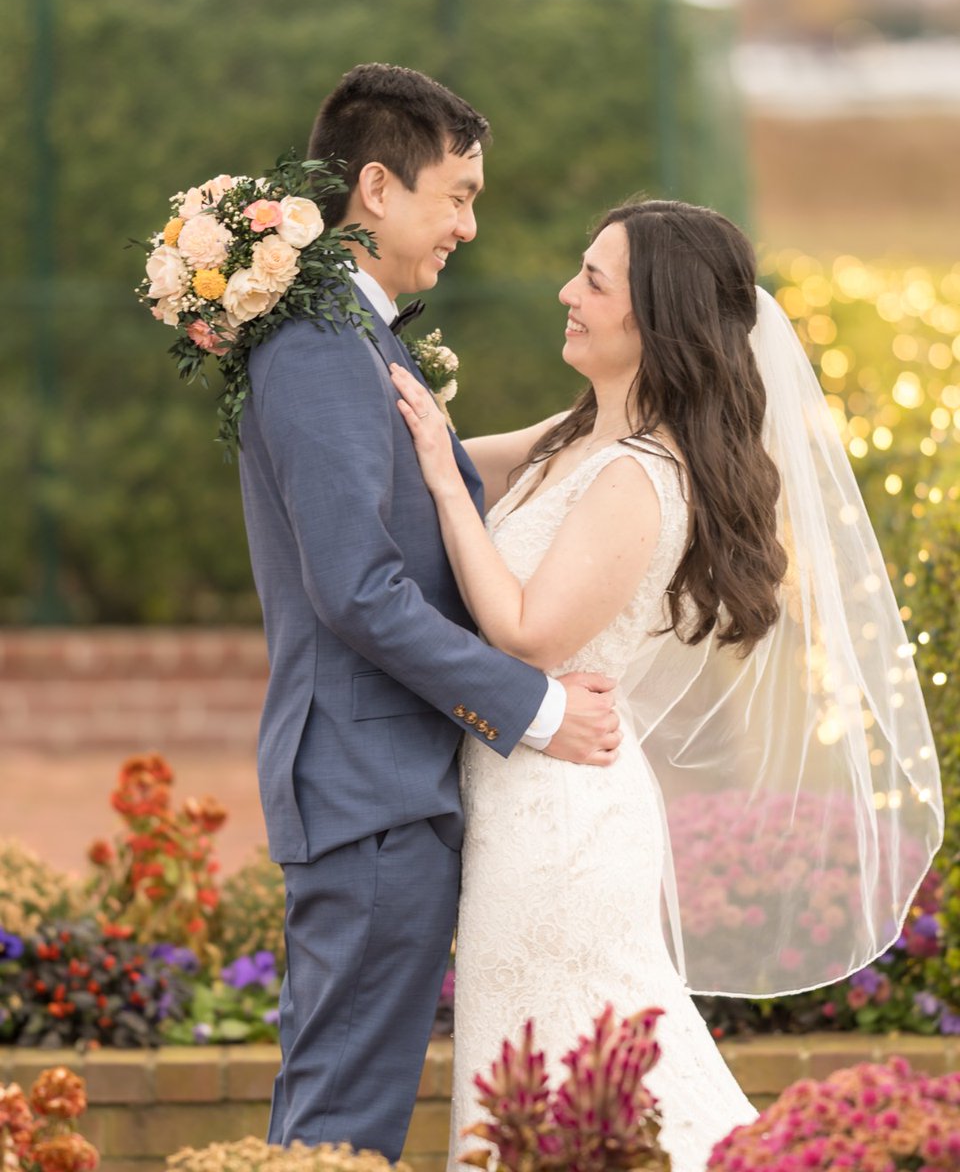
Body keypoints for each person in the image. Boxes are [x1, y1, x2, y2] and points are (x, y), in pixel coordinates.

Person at [390, 199, 943, 1171]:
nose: (567, 292)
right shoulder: (578, 439)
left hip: (559, 828)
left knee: (575, 1086)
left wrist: (440, 477)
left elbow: (523, 632)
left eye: (595, 282)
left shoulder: (640, 479)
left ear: (660, 320)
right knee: (555, 1091)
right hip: (527, 803)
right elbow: (439, 467)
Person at [235, 64, 623, 1161]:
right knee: (339, 1131)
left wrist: (609, 425)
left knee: (341, 1118)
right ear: (376, 187)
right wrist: (536, 708)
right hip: (368, 796)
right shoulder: (316, 349)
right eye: (457, 194)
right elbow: (355, 589)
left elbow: (426, 502)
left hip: (385, 789)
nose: (468, 224)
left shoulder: (361, 339)